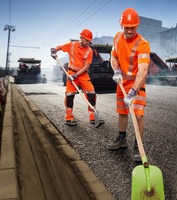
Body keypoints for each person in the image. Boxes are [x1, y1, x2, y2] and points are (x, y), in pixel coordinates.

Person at [107, 8, 150, 162]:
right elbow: (114, 57)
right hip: (121, 82)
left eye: (132, 27)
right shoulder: (117, 38)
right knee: (122, 112)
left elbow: (143, 70)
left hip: (136, 84)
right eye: (126, 27)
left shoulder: (143, 44)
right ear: (121, 26)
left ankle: (138, 145)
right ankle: (121, 138)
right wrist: (116, 70)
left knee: (138, 115)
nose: (129, 30)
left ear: (137, 26)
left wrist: (133, 91)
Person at [50, 29, 104, 126]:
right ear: (81, 38)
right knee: (70, 95)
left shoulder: (89, 51)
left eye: (89, 41)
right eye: (86, 40)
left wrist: (76, 75)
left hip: (82, 75)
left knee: (91, 93)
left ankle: (93, 117)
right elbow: (59, 47)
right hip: (71, 73)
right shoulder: (72, 45)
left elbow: (86, 66)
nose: (88, 43)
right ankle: (69, 118)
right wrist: (54, 50)